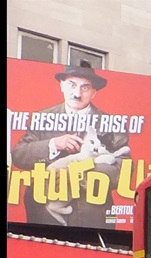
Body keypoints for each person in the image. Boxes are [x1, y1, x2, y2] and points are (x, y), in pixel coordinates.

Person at [9, 61, 131, 227]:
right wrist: (53, 144)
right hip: (44, 215)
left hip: (93, 218)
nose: (77, 93)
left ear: (94, 92)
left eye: (85, 87)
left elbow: (123, 168)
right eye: (72, 85)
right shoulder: (42, 117)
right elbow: (19, 155)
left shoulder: (111, 123)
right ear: (62, 86)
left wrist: (76, 174)